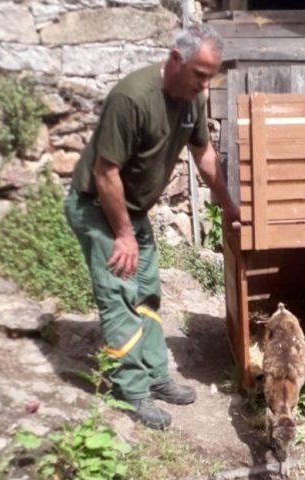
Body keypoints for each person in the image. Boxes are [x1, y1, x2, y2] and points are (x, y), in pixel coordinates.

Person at [64, 24, 239, 430]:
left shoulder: (192, 100)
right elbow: (105, 171)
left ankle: (156, 377)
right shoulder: (132, 97)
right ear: (175, 59)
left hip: (133, 211)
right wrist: (123, 234)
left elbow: (205, 155)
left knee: (147, 294)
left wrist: (228, 203)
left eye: (211, 75)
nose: (205, 83)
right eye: (200, 73)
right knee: (120, 295)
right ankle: (132, 393)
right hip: (97, 206)